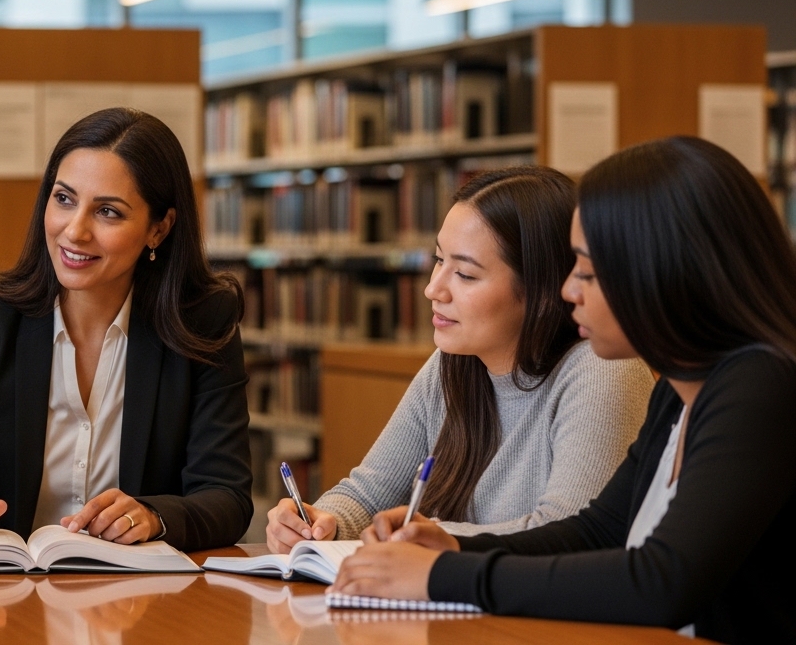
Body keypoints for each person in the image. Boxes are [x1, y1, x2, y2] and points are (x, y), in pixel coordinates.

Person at [333, 137, 796, 644]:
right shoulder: (682, 389)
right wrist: (451, 549)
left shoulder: (761, 386)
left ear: (663, 276)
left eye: (590, 273)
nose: (569, 290)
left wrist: (439, 577)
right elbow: (594, 532)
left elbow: (661, 580)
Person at [0, 107, 252, 552]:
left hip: (140, 602)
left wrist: (154, 517)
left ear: (158, 229)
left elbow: (227, 497)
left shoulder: (202, 323)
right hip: (5, 598)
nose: (75, 231)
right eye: (64, 199)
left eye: (108, 211)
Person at [266, 167, 653, 550]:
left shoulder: (601, 371)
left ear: (541, 289)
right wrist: (319, 523)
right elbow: (368, 495)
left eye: (465, 275)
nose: (433, 289)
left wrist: (437, 539)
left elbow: (570, 533)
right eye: (438, 260)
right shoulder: (451, 364)